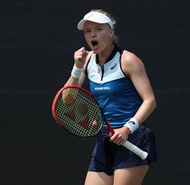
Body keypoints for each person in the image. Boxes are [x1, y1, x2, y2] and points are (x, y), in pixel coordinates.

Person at [63, 9, 157, 185]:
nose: (92, 34)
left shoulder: (128, 60)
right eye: (88, 31)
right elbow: (67, 100)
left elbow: (150, 101)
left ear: (111, 31)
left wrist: (127, 128)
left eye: (98, 29)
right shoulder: (86, 61)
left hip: (133, 138)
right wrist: (77, 67)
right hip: (106, 139)